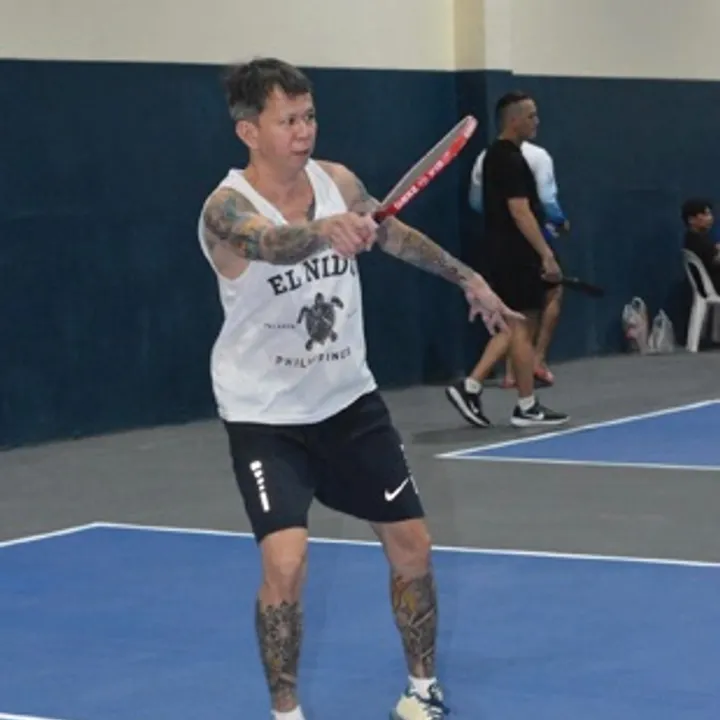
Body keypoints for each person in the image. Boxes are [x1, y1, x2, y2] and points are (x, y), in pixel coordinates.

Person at [197, 57, 522, 720]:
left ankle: (422, 690)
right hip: (265, 416)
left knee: (414, 547)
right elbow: (271, 243)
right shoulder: (225, 209)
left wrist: (468, 278)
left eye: (309, 116)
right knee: (286, 563)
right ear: (249, 132)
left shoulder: (338, 182)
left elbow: (393, 235)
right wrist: (324, 230)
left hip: (349, 402)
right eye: (288, 121)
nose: (304, 131)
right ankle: (285, 712)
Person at [445, 91, 569, 428]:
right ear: (513, 120)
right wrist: (546, 254)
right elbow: (520, 211)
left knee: (515, 325)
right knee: (521, 325)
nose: (536, 122)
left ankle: (475, 388)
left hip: (507, 254)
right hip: (516, 256)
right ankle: (522, 404)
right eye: (531, 116)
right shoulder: (509, 159)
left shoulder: (496, 156)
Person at [469, 140, 570, 387]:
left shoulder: (484, 157)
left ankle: (511, 376)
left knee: (511, 311)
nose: (535, 122)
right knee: (540, 303)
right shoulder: (537, 156)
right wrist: (557, 224)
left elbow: (476, 202)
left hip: (496, 246)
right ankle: (535, 362)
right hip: (527, 246)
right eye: (532, 119)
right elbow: (545, 200)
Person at [682, 198, 720, 291]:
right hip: (714, 285)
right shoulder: (697, 240)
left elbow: (710, 253)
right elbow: (715, 261)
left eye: (710, 214)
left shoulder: (692, 238)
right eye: (706, 214)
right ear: (691, 220)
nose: (711, 218)